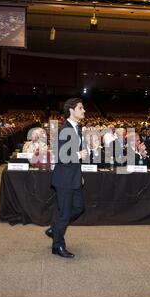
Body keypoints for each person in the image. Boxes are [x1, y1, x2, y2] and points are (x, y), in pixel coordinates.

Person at [46, 98, 87, 258]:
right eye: (81, 108)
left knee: (79, 208)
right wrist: (78, 154)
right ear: (71, 110)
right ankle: (58, 246)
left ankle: (55, 229)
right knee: (65, 213)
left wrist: (80, 175)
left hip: (74, 177)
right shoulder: (64, 129)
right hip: (64, 179)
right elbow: (61, 155)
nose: (84, 111)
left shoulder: (77, 128)